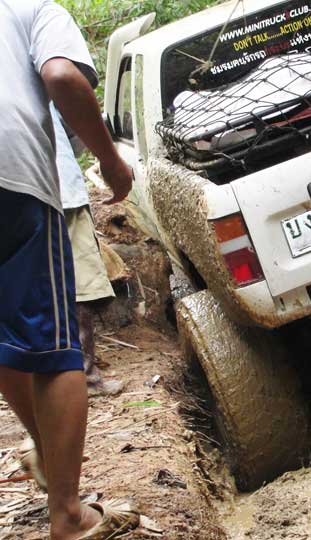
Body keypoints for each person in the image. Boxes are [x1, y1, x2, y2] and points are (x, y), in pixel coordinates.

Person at [0, 1, 137, 539]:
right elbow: (60, 75)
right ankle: (69, 516)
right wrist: (110, 159)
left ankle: (48, 453)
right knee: (57, 350)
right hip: (14, 181)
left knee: (6, 336)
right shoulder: (32, 7)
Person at [51, 105, 125, 397]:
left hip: (16, 198)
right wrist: (110, 159)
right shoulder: (34, 78)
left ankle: (49, 383)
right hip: (58, 190)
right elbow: (73, 115)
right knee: (79, 284)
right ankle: (86, 379)